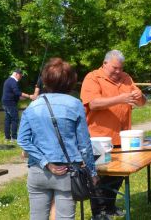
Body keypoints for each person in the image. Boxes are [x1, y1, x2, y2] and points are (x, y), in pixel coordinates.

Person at [17, 58, 98, 220]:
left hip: (38, 172)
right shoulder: (75, 104)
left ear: (46, 80)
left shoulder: (33, 106)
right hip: (67, 173)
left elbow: (23, 140)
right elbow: (84, 145)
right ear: (71, 81)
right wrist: (92, 172)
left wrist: (45, 162)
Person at [80, 50, 146, 220]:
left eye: (120, 68)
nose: (118, 72)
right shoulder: (93, 78)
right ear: (105, 63)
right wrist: (121, 98)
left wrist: (140, 96)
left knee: (118, 176)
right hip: (98, 138)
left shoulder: (126, 78)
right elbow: (93, 103)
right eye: (115, 68)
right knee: (99, 177)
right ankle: (98, 213)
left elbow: (141, 103)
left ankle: (109, 207)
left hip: (122, 137)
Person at [1, 68, 32, 143]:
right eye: (20, 76)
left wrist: (22, 98)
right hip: (10, 103)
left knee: (7, 120)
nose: (21, 78)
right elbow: (17, 92)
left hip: (5, 102)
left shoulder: (8, 80)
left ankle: (7, 137)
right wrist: (29, 96)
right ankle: (14, 138)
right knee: (15, 119)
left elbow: (14, 93)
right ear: (16, 74)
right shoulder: (13, 81)